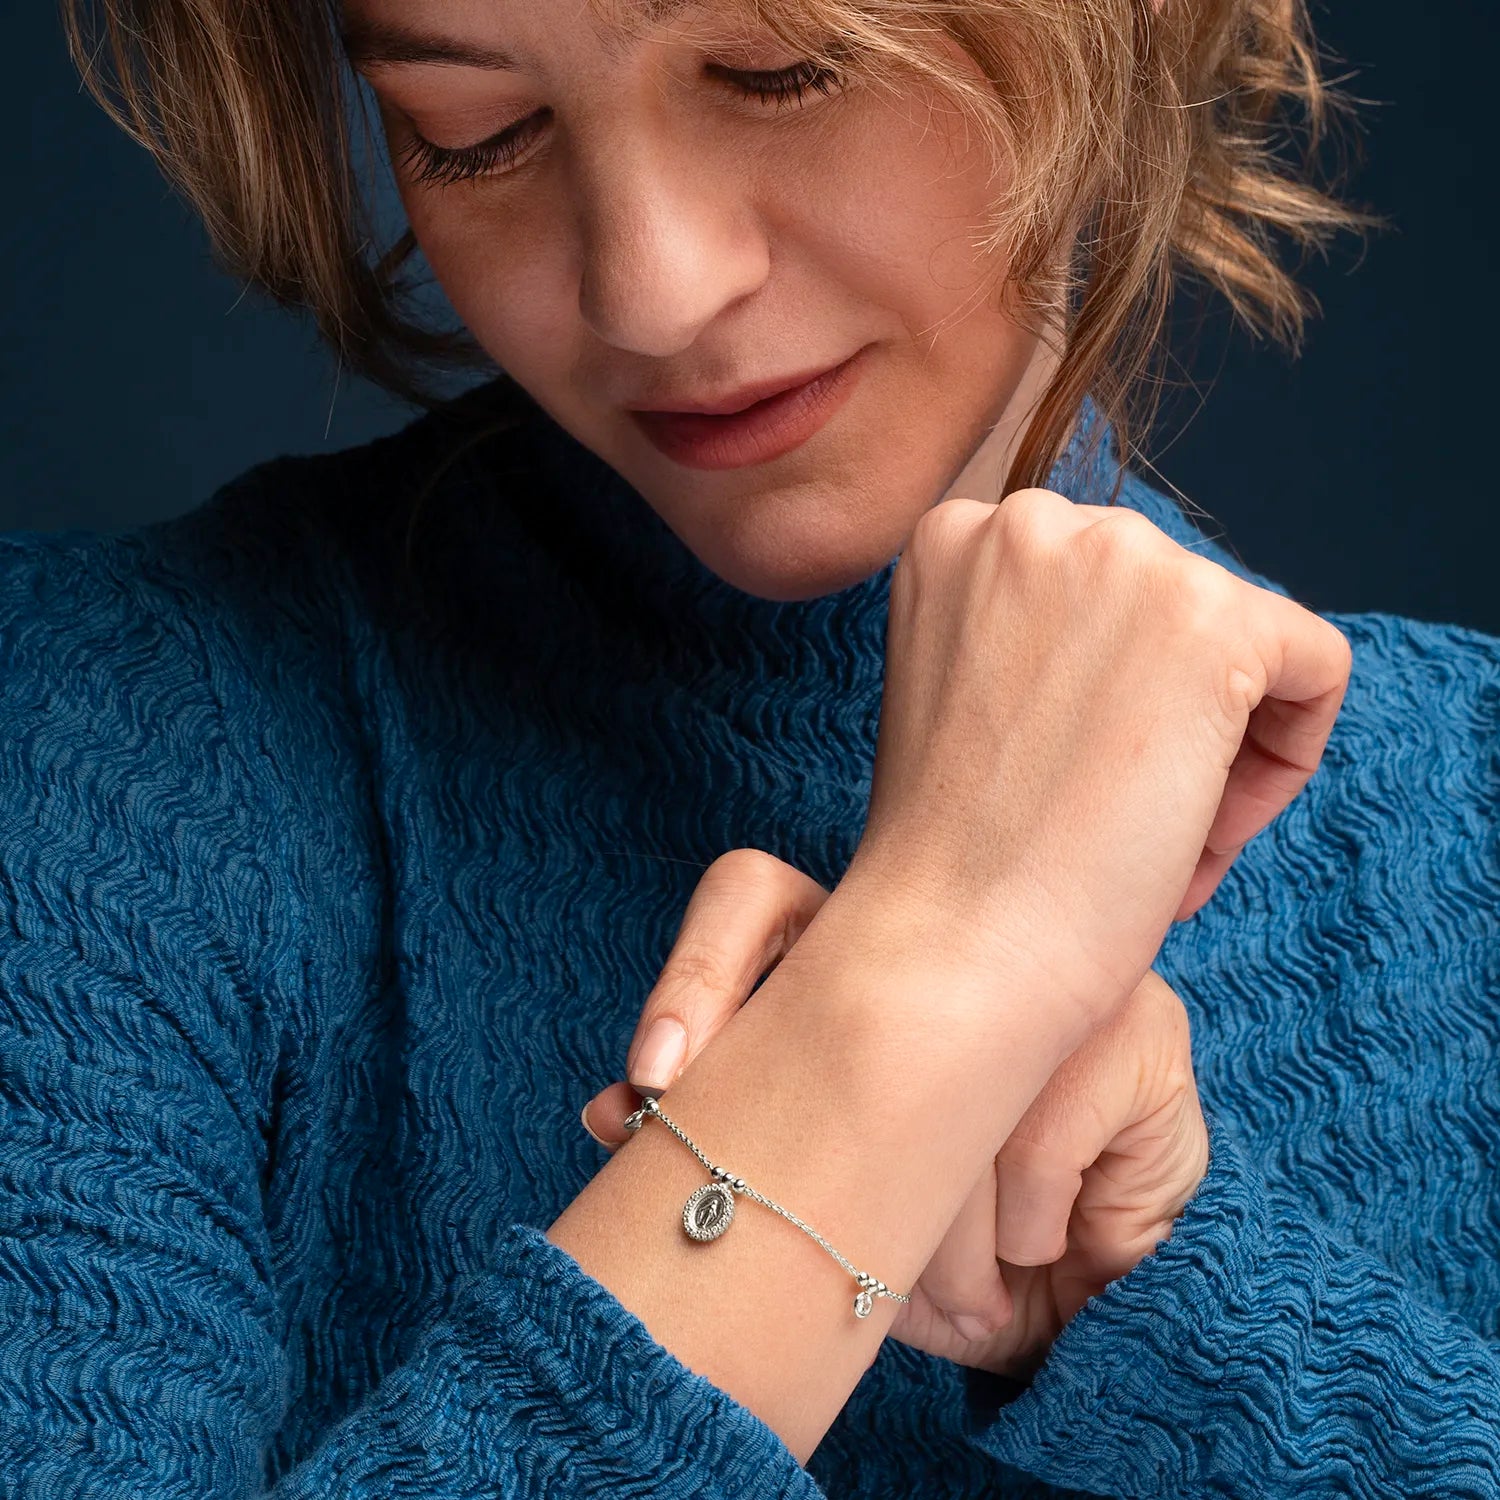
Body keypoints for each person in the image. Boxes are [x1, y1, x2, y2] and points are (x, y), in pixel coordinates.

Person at [2, 0, 1495, 1494]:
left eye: (782, 71)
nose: (651, 290)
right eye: (475, 136)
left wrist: (1178, 1308)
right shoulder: (106, 747)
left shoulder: (1467, 814)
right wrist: (919, 991)